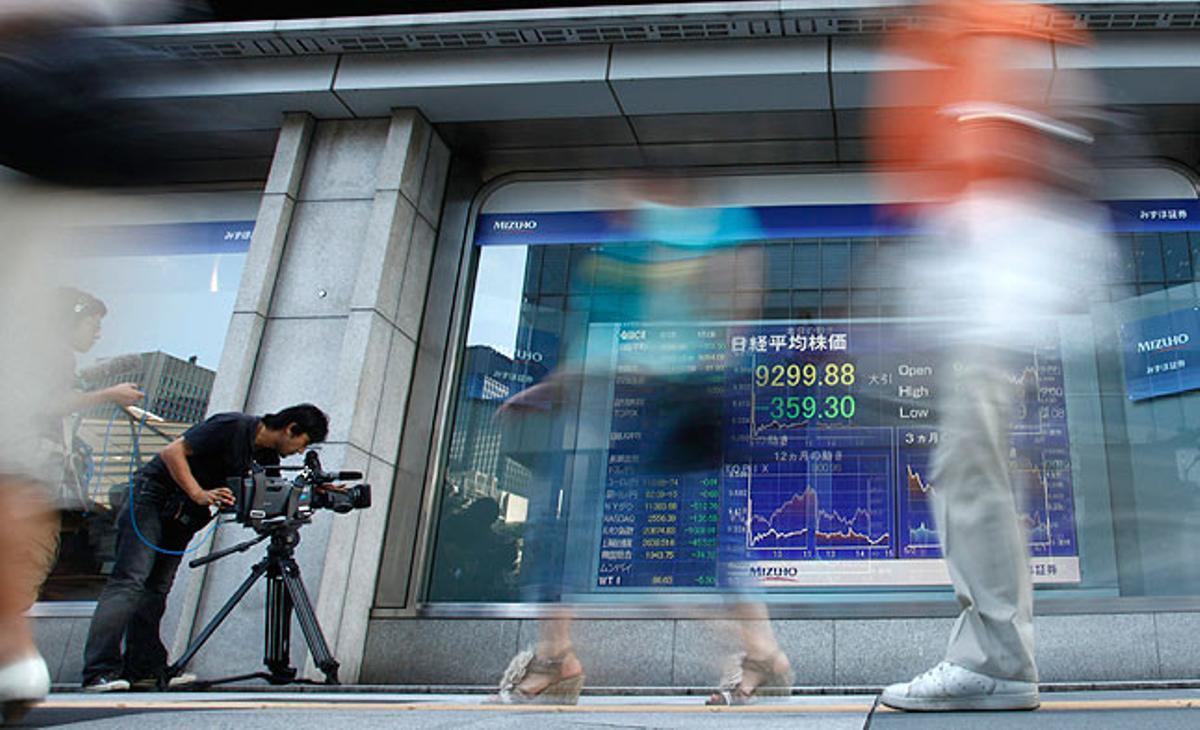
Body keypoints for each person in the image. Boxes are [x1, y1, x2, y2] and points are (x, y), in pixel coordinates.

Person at [871, 0, 1111, 712]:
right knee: (971, 466)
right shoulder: (962, 27)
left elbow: (1011, 142)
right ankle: (998, 655)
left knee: (970, 465)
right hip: (988, 269)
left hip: (997, 273)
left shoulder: (989, 22)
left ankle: (996, 662)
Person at [80, 403, 329, 692]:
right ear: (291, 428)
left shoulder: (266, 458)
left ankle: (144, 668)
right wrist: (199, 493)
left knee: (156, 589)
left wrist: (310, 499)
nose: (300, 452)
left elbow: (264, 501)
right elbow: (172, 452)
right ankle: (99, 671)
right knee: (129, 581)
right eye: (303, 443)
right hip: (151, 499)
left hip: (182, 515)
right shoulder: (232, 426)